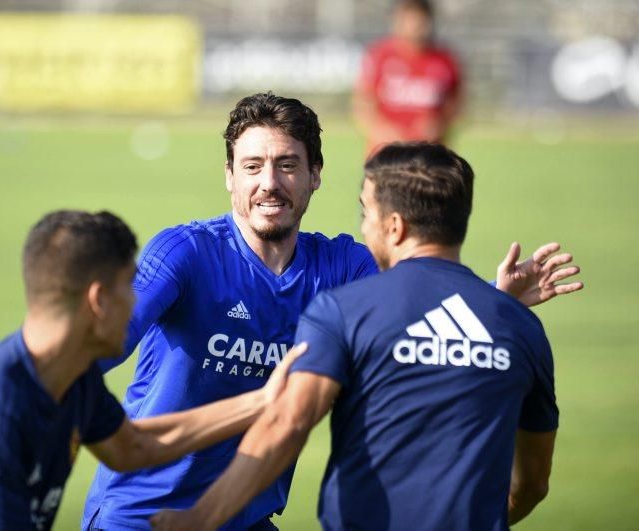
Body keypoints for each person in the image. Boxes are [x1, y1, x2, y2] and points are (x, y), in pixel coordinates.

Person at [82, 93, 581, 530]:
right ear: (229, 177)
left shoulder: (343, 264)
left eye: (287, 165)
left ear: (315, 174)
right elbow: (97, 351)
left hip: (247, 516)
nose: (269, 183)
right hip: (141, 513)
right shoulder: (185, 253)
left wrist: (494, 299)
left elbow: (418, 302)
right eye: (252, 166)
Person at [0, 209, 305, 531]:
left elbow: (133, 448)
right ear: (99, 300)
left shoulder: (72, 378)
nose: (137, 302)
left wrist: (263, 401)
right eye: (129, 286)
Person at [353, 0, 462, 154]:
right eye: (408, 20)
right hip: (384, 156)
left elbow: (456, 104)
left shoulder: (445, 59)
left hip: (430, 156)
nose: (414, 27)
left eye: (419, 20)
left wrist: (439, 125)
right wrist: (383, 131)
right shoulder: (380, 56)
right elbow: (363, 102)